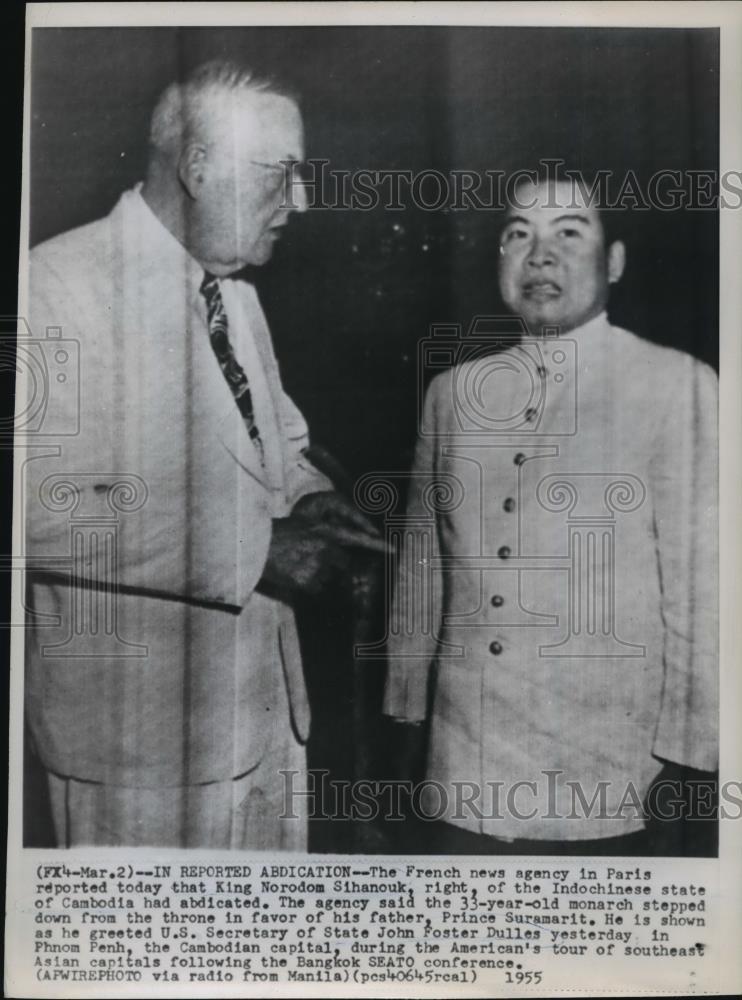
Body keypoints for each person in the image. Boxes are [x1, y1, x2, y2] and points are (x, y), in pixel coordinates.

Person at [24, 59, 384, 849]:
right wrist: (255, 548)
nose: (302, 200)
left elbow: (276, 442)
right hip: (136, 755)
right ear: (197, 168)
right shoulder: (52, 286)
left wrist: (307, 494)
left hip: (265, 731)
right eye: (282, 174)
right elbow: (31, 505)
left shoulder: (235, 294)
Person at [384, 170, 718, 854]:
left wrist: (691, 756)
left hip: (609, 775)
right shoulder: (451, 394)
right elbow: (421, 577)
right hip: (464, 769)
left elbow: (705, 593)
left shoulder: (677, 385)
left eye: (570, 232)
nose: (540, 256)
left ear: (614, 261)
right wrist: (406, 723)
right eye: (518, 235)